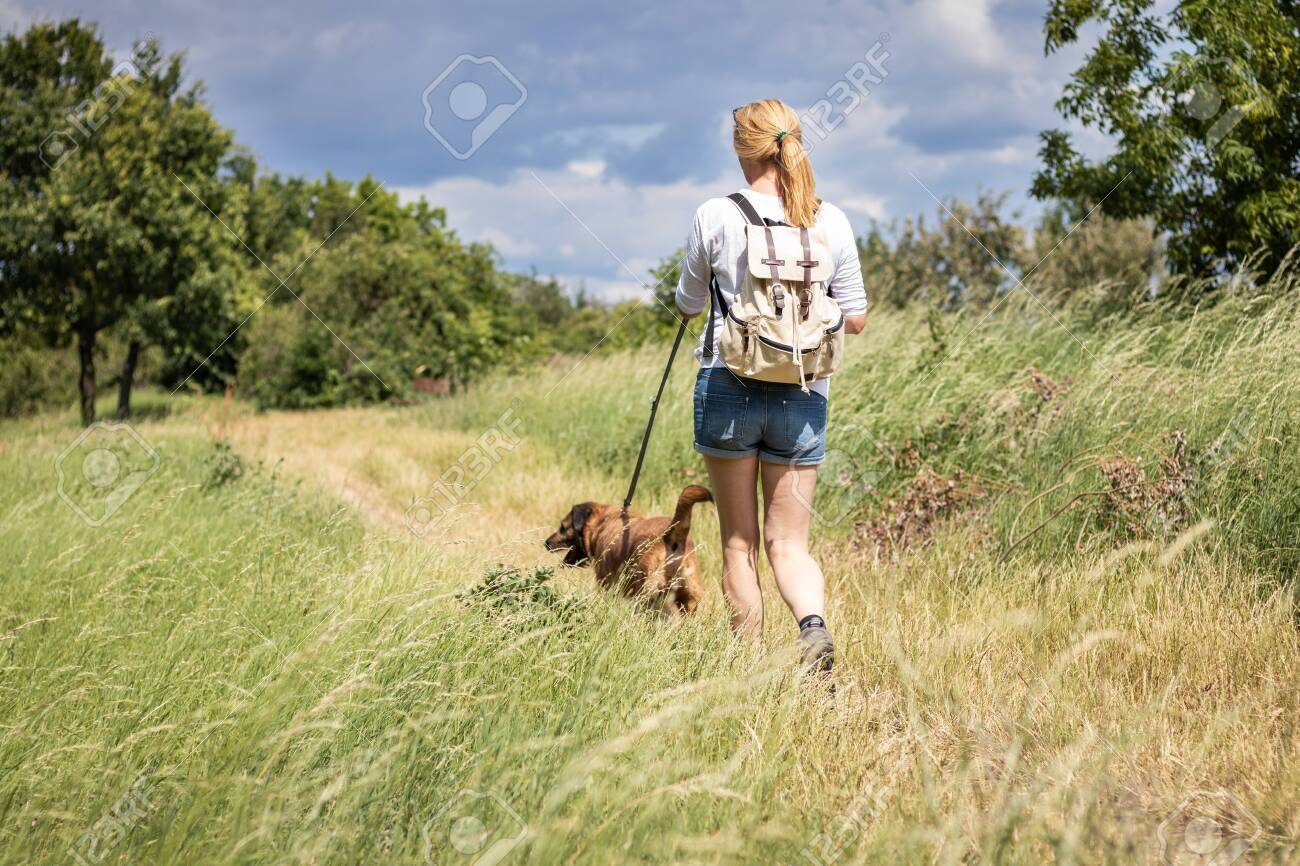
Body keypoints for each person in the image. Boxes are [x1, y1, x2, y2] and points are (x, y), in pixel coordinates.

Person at [674, 98, 868, 671]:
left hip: (729, 384)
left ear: (742, 150)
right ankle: (812, 628)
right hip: (803, 394)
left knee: (741, 542)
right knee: (791, 543)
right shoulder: (830, 219)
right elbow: (854, 317)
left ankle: (750, 668)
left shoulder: (715, 214)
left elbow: (687, 303)